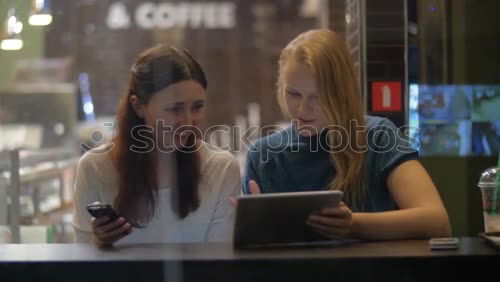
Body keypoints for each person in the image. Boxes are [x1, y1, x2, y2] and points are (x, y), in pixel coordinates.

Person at [243, 29, 451, 240]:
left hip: (368, 273)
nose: (303, 109)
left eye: (318, 97)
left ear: (341, 93)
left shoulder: (378, 136)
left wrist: (353, 224)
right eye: (293, 94)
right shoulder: (262, 156)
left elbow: (437, 222)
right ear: (280, 88)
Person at [72, 45, 240, 246]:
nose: (188, 122)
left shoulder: (222, 168)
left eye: (197, 107)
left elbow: (219, 263)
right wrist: (98, 241)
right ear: (138, 106)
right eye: (174, 109)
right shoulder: (95, 167)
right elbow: (79, 258)